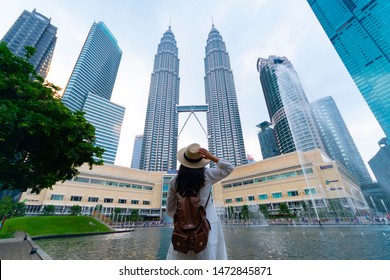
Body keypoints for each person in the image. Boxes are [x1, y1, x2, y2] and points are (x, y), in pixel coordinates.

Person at [166, 143, 234, 260]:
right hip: (207, 222)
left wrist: (185, 217)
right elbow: (229, 168)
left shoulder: (174, 181)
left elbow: (170, 210)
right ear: (201, 161)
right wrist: (211, 157)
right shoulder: (208, 175)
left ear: (183, 162)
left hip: (182, 227)